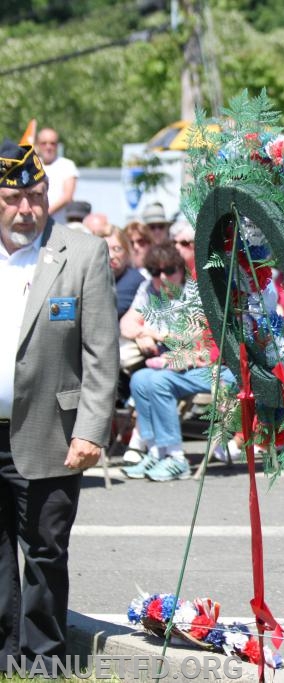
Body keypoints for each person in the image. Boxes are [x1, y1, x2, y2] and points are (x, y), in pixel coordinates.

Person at [0, 139, 118, 670]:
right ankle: (6, 652)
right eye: (12, 198)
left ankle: (43, 653)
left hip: (51, 427)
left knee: (46, 547)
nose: (26, 208)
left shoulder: (81, 251)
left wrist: (91, 429)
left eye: (37, 195)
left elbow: (100, 352)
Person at [119, 244, 233, 482]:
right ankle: (156, 451)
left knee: (158, 382)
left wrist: (154, 333)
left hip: (211, 368)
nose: (162, 277)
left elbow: (196, 341)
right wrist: (144, 335)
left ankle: (176, 457)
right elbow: (127, 324)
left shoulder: (195, 293)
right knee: (140, 379)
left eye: (169, 270)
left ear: (180, 271)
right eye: (155, 272)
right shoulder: (149, 289)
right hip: (179, 366)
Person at [35, 127, 77, 224]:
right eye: (44, 143)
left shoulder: (67, 165)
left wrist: (46, 213)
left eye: (52, 143)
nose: (48, 147)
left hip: (58, 223)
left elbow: (67, 196)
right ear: (37, 145)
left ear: (57, 145)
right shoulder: (33, 165)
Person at [106, 227, 145, 318]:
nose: (111, 256)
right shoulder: (94, 278)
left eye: (117, 249)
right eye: (105, 249)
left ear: (127, 252)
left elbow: (109, 311)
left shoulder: (134, 280)